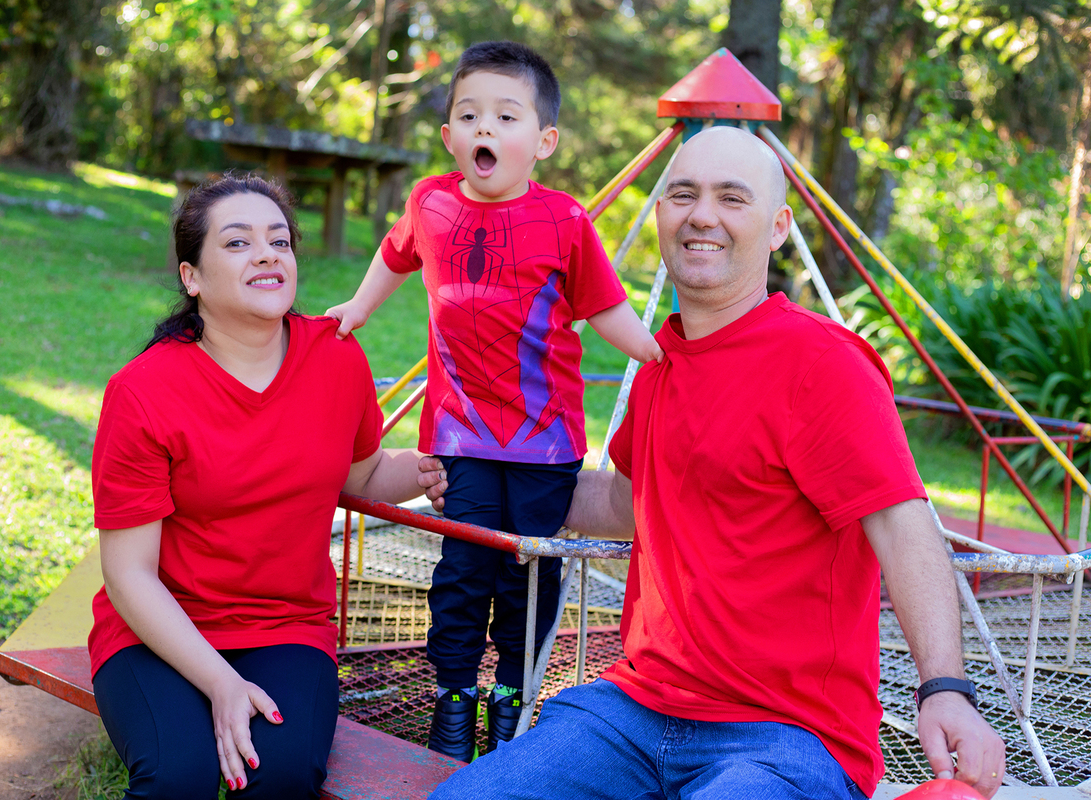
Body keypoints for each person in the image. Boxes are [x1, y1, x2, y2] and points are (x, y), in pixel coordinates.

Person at [426, 126, 1007, 799]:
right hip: (634, 708)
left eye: (732, 198)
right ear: (661, 214)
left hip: (783, 732)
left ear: (778, 227)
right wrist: (482, 479)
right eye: (683, 194)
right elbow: (620, 503)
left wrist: (945, 688)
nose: (702, 215)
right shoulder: (660, 365)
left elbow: (902, 525)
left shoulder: (823, 364)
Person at [325, 41, 663, 762]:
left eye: (507, 116)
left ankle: (512, 697)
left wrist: (658, 353)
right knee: (463, 570)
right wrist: (357, 308)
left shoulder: (565, 221)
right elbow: (394, 255)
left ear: (543, 142)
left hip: (545, 440)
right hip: (460, 432)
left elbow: (605, 306)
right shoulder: (430, 202)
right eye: (470, 114)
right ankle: (452, 698)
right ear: (450, 135)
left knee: (528, 574)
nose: (486, 127)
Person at [89, 174, 441, 799]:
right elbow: (129, 575)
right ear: (191, 277)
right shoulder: (142, 392)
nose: (266, 255)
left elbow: (360, 475)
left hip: (286, 625)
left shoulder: (336, 356)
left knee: (278, 776)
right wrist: (220, 682)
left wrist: (433, 467)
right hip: (158, 626)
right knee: (178, 775)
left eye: (279, 241)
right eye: (237, 243)